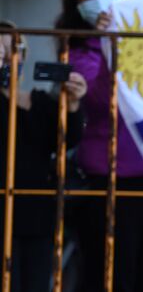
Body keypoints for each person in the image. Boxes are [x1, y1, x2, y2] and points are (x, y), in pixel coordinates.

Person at [55, 0, 143, 292]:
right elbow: (99, 101)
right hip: (107, 177)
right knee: (111, 276)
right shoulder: (78, 52)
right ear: (77, 7)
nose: (99, 1)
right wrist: (110, 43)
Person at [0, 20, 86, 291]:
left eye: (12, 49)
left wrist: (72, 104)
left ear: (23, 55)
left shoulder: (41, 103)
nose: (6, 58)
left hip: (37, 215)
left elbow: (67, 139)